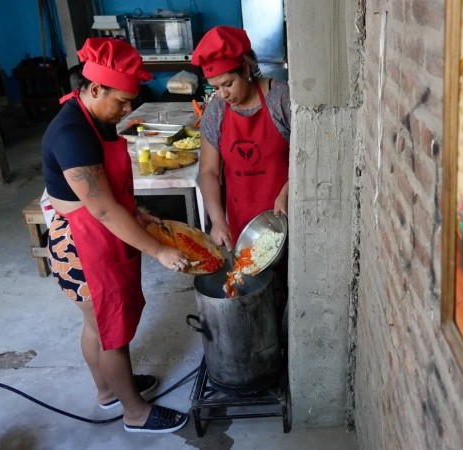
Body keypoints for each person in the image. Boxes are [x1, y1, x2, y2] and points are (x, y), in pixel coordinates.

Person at [41, 37, 189, 433]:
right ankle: (135, 412)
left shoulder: (93, 118)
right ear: (93, 89)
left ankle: (109, 391)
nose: (127, 110)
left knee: (98, 326)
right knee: (112, 334)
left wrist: (138, 213)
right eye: (121, 101)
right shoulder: (71, 133)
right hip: (82, 246)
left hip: (100, 235)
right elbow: (103, 209)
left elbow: (112, 194)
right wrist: (158, 251)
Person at [191, 26, 291, 251]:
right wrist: (217, 220)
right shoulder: (216, 110)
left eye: (228, 84)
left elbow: (308, 157)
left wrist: (287, 192)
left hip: (284, 212)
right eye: (215, 87)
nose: (223, 95)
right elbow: (208, 171)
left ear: (245, 68)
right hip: (241, 221)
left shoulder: (280, 98)